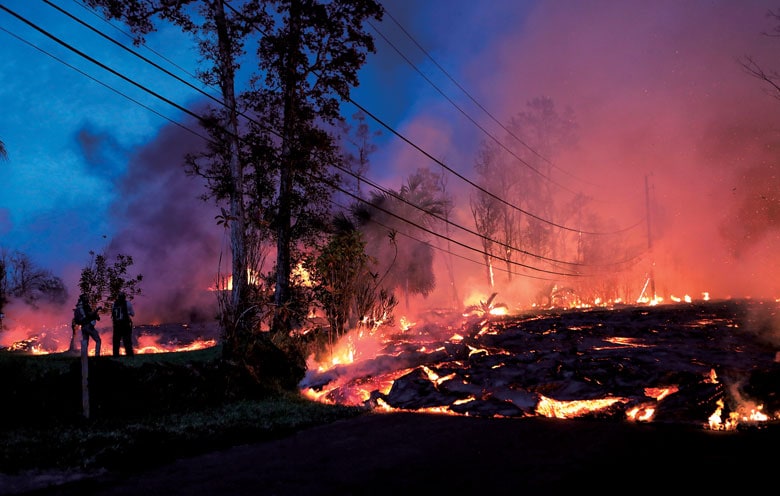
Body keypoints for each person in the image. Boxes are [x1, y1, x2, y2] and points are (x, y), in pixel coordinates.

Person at [111, 292, 135, 357]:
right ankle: (129, 355)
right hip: (125, 325)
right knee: (127, 341)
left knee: (116, 342)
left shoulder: (114, 304)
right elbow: (133, 314)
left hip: (117, 325)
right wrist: (128, 313)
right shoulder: (128, 303)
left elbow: (113, 315)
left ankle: (115, 355)